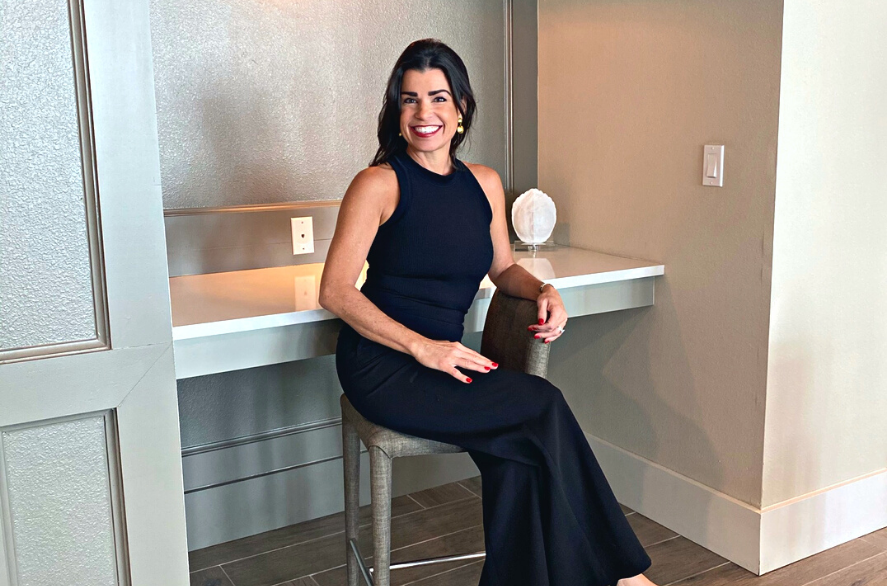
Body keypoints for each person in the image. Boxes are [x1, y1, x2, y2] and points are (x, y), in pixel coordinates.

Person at [319, 38, 657, 586]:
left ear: (460, 109)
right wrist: (422, 347)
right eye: (409, 100)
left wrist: (544, 288)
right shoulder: (378, 183)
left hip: (449, 361)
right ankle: (623, 578)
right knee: (543, 404)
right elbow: (335, 291)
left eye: (437, 98)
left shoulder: (484, 183)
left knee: (517, 456)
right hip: (384, 365)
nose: (423, 113)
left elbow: (503, 269)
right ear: (396, 111)